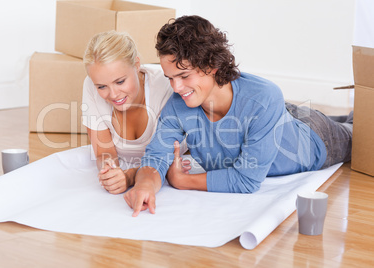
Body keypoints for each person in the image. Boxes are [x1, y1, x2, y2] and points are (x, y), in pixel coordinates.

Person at [123, 15, 353, 216]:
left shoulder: (263, 96)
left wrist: (184, 181)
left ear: (211, 65)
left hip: (315, 137)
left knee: (361, 129)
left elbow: (247, 179)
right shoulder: (178, 104)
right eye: (170, 78)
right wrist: (144, 185)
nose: (176, 87)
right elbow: (156, 157)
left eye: (184, 76)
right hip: (275, 115)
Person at [82, 31, 190, 195]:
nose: (113, 94)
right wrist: (109, 169)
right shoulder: (90, 85)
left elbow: (162, 159)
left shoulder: (167, 85)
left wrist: (131, 176)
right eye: (101, 86)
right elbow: (104, 152)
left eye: (120, 81)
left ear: (137, 64)